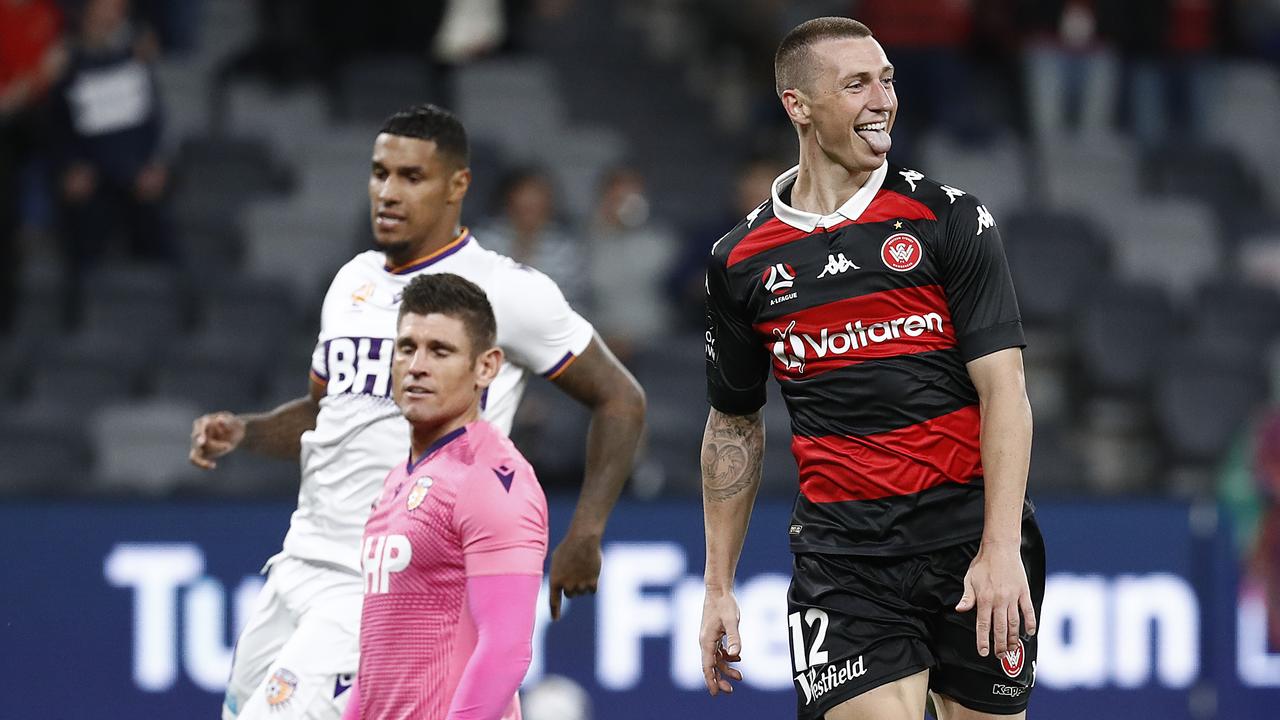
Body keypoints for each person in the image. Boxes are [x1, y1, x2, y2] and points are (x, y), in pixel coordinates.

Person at [190, 104, 645, 720]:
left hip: (384, 578)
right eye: (380, 173)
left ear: (458, 185)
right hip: (297, 563)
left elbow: (620, 398)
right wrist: (245, 431)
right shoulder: (351, 281)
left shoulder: (505, 290)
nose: (388, 191)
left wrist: (586, 533)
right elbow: (325, 413)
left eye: (411, 176)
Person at [698, 17, 1045, 720]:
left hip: (969, 543)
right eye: (856, 84)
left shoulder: (947, 220)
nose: (882, 99)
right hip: (844, 564)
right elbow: (734, 424)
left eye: (886, 79)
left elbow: (1005, 390)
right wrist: (718, 585)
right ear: (798, 105)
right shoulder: (740, 261)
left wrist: (1001, 547)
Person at [342, 272, 546, 719]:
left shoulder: (494, 479)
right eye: (407, 347)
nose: (417, 365)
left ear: (486, 367)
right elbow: (379, 659)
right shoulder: (398, 479)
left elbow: (507, 650)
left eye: (440, 351)